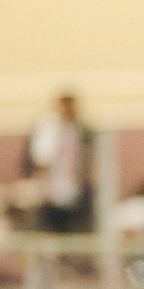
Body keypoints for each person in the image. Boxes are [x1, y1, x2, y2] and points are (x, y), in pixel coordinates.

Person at [24, 92, 92, 233]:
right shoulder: (49, 128)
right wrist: (45, 188)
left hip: (71, 189)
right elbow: (41, 161)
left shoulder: (75, 127)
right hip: (52, 191)